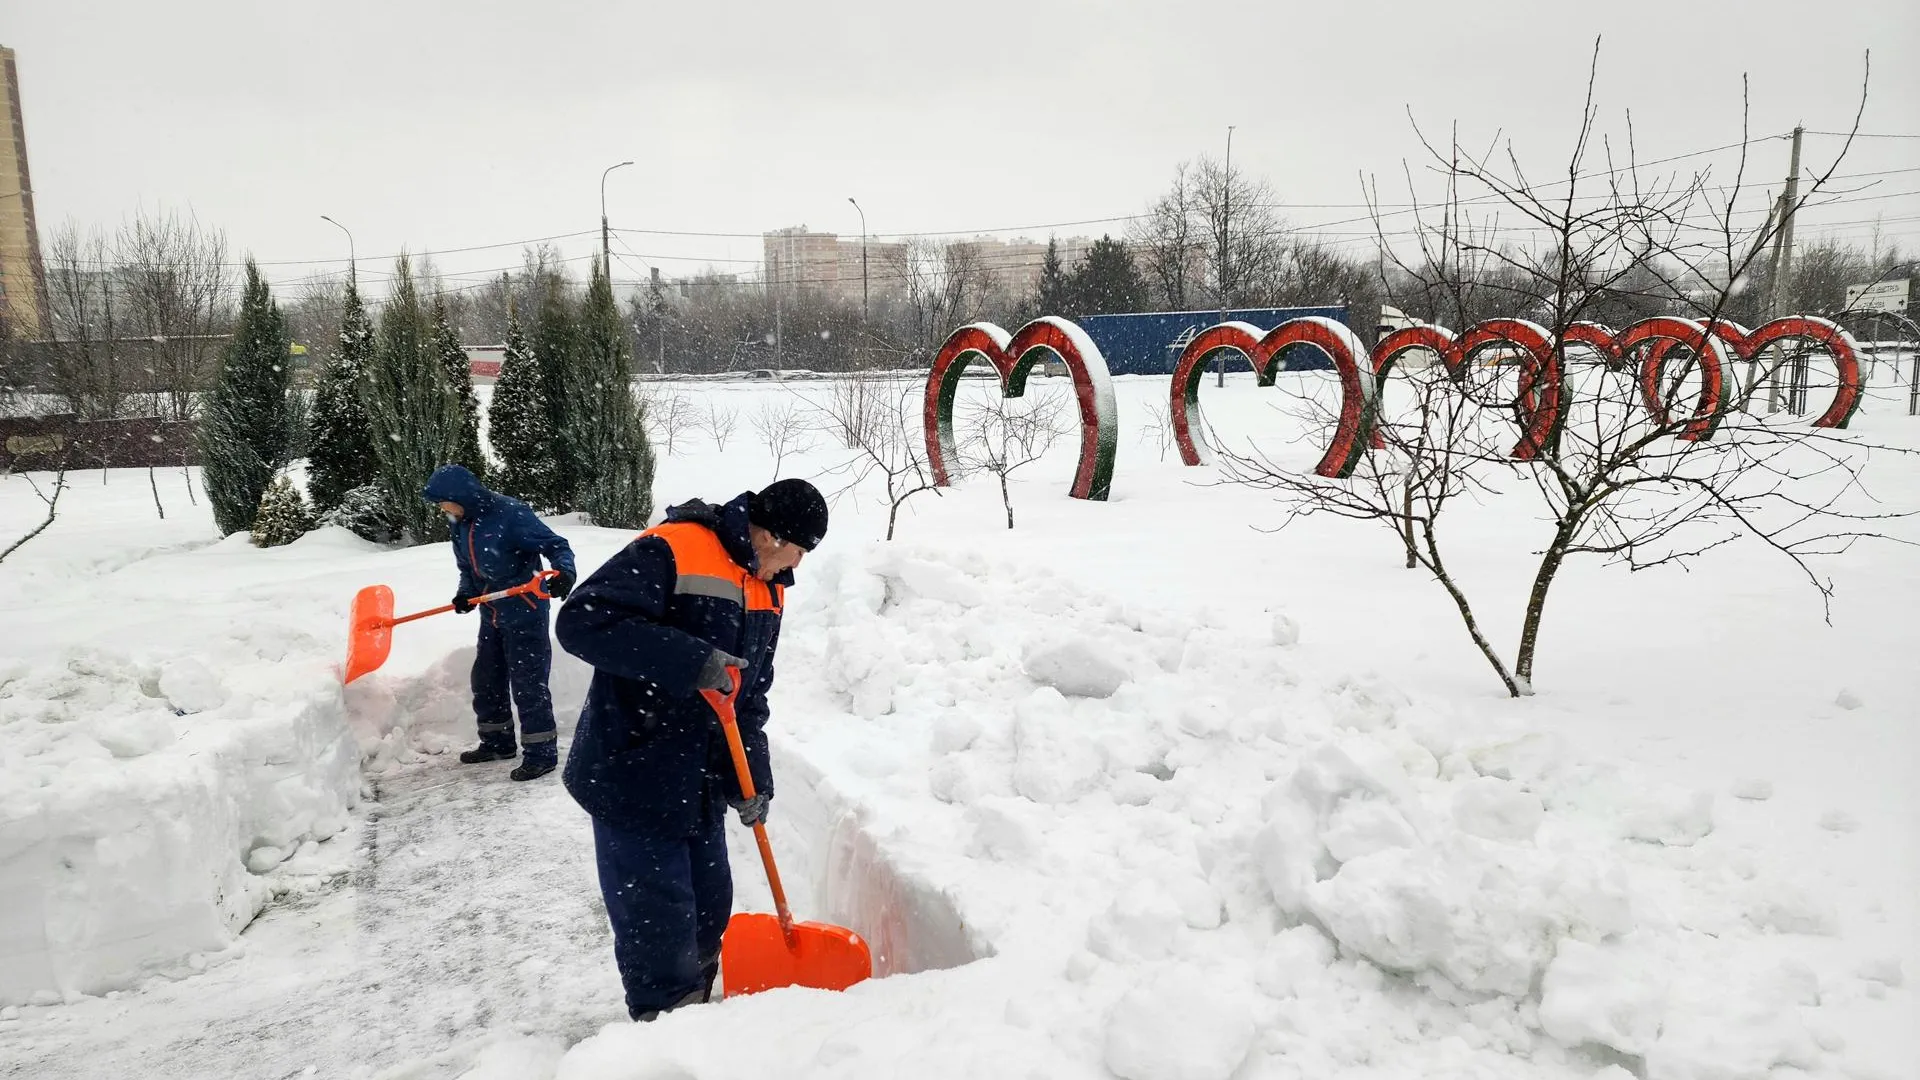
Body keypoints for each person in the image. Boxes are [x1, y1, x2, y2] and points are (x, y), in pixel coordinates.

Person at [555, 478, 828, 1021]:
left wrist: (753, 781)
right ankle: (664, 1030)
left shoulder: (768, 589)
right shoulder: (675, 547)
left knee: (708, 910)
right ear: (772, 535)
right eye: (798, 551)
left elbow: (748, 698)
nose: (795, 567)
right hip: (633, 765)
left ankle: (695, 1011)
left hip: (696, 777)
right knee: (659, 920)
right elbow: (582, 622)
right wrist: (690, 660)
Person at [421, 464, 578, 782]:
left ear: (460, 496)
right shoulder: (460, 522)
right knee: (486, 679)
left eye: (443, 503)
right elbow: (467, 566)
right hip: (491, 610)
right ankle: (497, 743)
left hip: (525, 609)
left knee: (528, 684)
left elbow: (555, 545)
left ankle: (541, 754)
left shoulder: (511, 514)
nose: (442, 510)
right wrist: (466, 594)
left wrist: (564, 572)